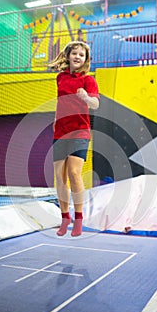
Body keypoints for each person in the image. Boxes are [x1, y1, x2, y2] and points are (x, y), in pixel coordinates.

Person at [48, 41, 99, 237]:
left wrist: (86, 97)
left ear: (86, 60)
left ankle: (78, 218)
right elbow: (61, 101)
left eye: (82, 55)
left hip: (80, 131)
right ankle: (64, 217)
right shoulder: (60, 77)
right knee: (59, 178)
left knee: (74, 173)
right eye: (75, 53)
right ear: (68, 55)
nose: (78, 57)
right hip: (60, 131)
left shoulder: (88, 80)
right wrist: (55, 118)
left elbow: (95, 104)